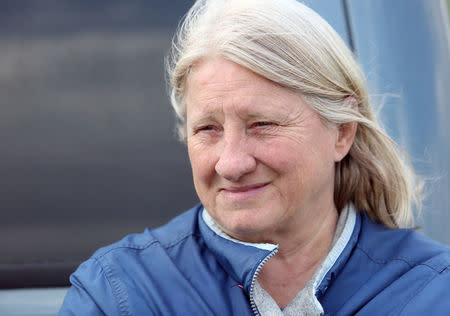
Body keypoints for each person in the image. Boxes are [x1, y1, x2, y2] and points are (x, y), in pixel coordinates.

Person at [59, 0, 450, 315]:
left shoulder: (433, 291)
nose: (230, 163)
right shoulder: (120, 293)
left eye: (262, 124)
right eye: (207, 129)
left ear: (342, 133)